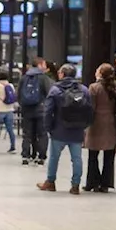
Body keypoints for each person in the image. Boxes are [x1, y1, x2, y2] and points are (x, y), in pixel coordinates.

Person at [37, 63, 92, 194]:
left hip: (58, 129)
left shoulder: (55, 90)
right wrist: (84, 126)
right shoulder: (83, 90)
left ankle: (50, 182)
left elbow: (48, 110)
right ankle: (75, 185)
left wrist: (48, 127)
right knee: (77, 159)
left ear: (61, 74)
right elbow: (90, 110)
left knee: (54, 157)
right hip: (77, 130)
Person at [84, 63, 116, 192]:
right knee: (109, 156)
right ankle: (106, 183)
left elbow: (91, 107)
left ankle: (92, 182)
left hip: (96, 124)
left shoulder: (94, 88)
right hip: (111, 123)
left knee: (93, 155)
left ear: (100, 73)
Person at [17, 57, 54, 166]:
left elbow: (18, 94)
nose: (45, 67)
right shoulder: (43, 78)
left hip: (27, 110)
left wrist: (23, 105)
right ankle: (41, 156)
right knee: (42, 134)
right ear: (39, 65)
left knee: (27, 134)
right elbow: (49, 93)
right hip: (41, 110)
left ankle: (26, 155)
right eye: (44, 64)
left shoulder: (24, 78)